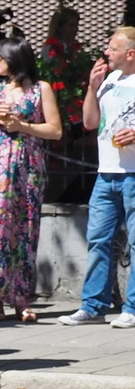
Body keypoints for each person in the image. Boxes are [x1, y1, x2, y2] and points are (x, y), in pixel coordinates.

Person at [0, 39, 61, 322]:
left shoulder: (40, 89)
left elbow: (55, 130)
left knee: (23, 230)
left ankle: (20, 299)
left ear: (14, 59)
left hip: (26, 164)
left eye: (0, 57)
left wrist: (23, 126)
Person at [60, 26, 135, 328]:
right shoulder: (109, 81)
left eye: (112, 48)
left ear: (130, 53)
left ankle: (131, 308)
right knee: (98, 240)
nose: (106, 53)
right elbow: (90, 122)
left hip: (133, 174)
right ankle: (93, 307)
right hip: (107, 174)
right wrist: (92, 88)